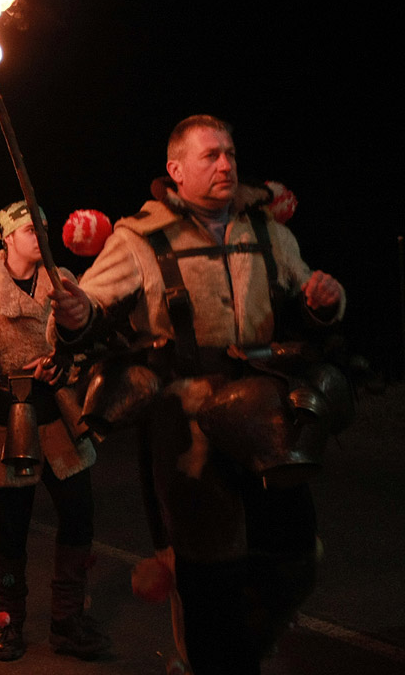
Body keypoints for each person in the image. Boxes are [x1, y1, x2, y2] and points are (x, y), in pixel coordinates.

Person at [50, 115, 345, 675]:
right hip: (184, 420)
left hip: (265, 407)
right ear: (176, 169)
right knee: (208, 575)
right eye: (211, 155)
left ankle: (233, 656)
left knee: (295, 559)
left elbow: (306, 306)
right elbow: (86, 308)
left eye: (231, 152)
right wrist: (74, 313)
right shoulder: (137, 237)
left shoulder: (268, 231)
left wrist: (322, 300)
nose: (227, 164)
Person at [0, 202, 110, 662]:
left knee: (78, 513)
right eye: (30, 229)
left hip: (57, 413)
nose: (40, 236)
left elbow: (86, 337)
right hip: (3, 417)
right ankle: (9, 621)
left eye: (44, 229)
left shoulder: (63, 278)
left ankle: (67, 621)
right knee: (8, 527)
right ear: (6, 237)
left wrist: (64, 357)